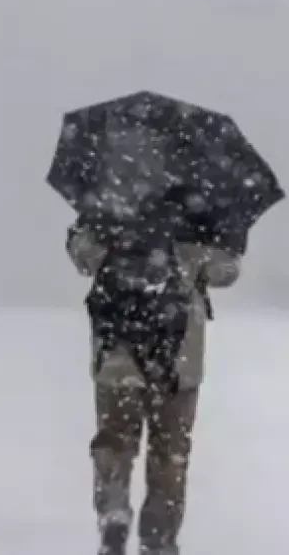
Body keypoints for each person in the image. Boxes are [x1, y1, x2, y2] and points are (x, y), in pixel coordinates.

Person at [67, 189, 243, 555]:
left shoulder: (111, 196)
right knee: (170, 448)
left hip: (117, 348)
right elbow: (225, 272)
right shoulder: (199, 204)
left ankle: (113, 509)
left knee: (114, 438)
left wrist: (95, 237)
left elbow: (84, 257)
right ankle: (158, 538)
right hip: (177, 353)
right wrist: (215, 243)